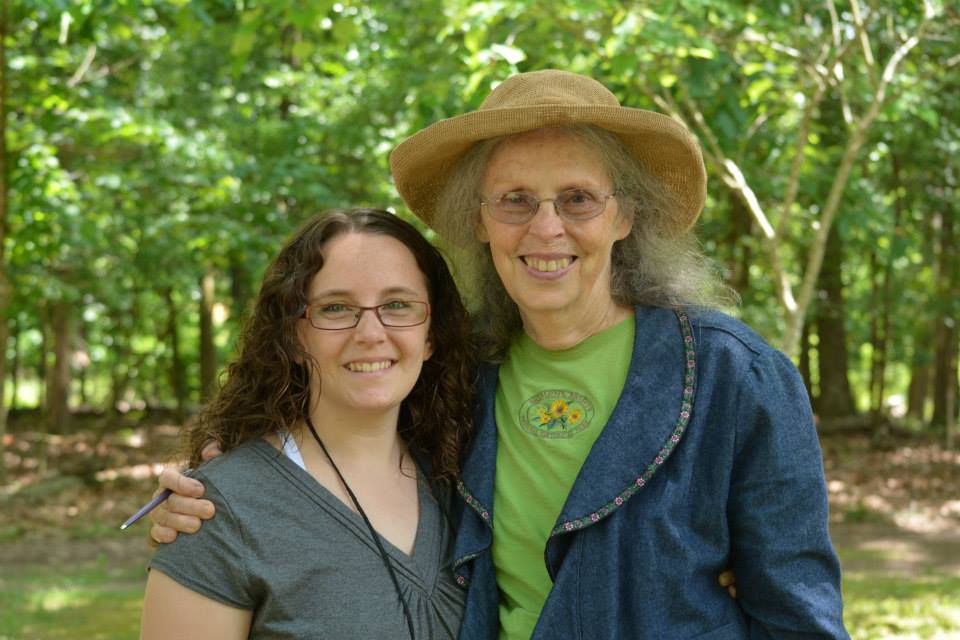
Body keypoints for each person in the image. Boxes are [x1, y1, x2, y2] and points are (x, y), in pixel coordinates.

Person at [151, 70, 849, 639]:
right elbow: (340, 441)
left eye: (577, 198)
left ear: (624, 215)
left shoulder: (735, 379)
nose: (547, 228)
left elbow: (799, 618)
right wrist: (220, 484)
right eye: (515, 200)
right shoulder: (457, 374)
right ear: (478, 220)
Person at [140, 208, 474, 639]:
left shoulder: (466, 479)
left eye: (397, 305)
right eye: (335, 308)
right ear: (295, 338)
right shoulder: (220, 510)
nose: (371, 333)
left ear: (431, 334)